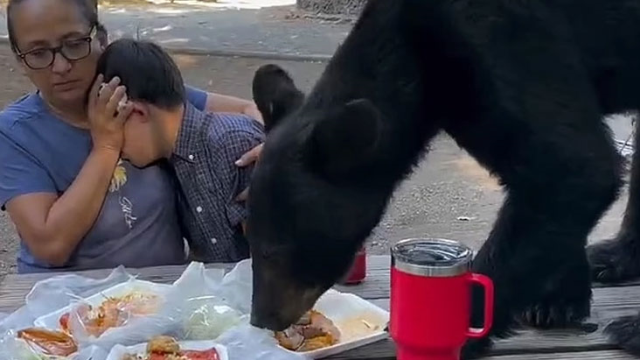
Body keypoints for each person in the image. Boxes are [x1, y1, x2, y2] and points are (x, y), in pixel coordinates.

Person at [0, 0, 263, 273]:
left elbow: (248, 108)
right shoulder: (14, 132)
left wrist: (275, 150)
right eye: (39, 53)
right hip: (64, 301)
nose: (61, 66)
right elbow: (50, 246)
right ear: (20, 60)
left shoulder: (132, 89)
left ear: (100, 39)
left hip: (162, 294)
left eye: (74, 43)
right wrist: (106, 147)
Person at [96, 39, 264, 262]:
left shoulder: (233, 144)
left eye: (113, 126)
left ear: (137, 113)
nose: (115, 146)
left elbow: (268, 265)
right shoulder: (172, 159)